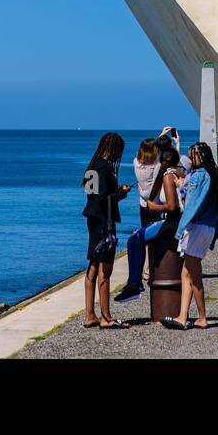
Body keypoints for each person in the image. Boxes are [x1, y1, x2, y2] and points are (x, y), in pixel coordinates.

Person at [162, 142, 218, 330]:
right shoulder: (216, 176)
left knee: (194, 274)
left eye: (193, 156)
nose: (190, 159)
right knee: (186, 272)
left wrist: (179, 185)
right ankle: (182, 315)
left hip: (196, 227)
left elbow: (190, 201)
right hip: (208, 228)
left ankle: (201, 317)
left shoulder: (198, 175)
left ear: (200, 156)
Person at [116, 147, 183, 302]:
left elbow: (172, 206)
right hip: (177, 221)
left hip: (171, 222)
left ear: (164, 161)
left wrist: (154, 207)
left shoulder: (168, 176)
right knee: (141, 236)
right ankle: (136, 281)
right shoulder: (180, 174)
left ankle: (134, 284)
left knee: (134, 240)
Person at [82, 132, 131, 329]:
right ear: (112, 149)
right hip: (105, 221)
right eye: (118, 150)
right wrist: (121, 193)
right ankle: (106, 317)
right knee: (105, 269)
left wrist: (115, 188)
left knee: (93, 265)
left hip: (92, 219)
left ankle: (89, 315)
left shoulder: (92, 166)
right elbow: (105, 199)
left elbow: (95, 194)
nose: (118, 155)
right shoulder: (105, 167)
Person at [132, 137, 163, 228]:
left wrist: (140, 192)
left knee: (144, 231)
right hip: (155, 203)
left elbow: (146, 148)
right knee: (155, 234)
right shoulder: (157, 165)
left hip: (142, 202)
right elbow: (153, 188)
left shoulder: (135, 162)